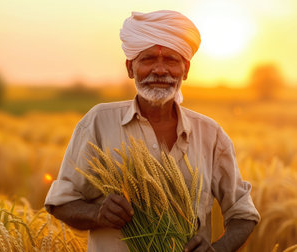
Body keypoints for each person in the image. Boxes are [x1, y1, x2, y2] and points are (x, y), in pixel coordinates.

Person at [44, 10, 260, 252]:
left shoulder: (212, 135)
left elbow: (243, 213)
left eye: (170, 59)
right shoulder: (97, 122)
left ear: (185, 69)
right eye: (147, 59)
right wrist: (97, 213)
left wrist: (218, 249)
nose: (159, 70)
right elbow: (61, 203)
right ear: (130, 67)